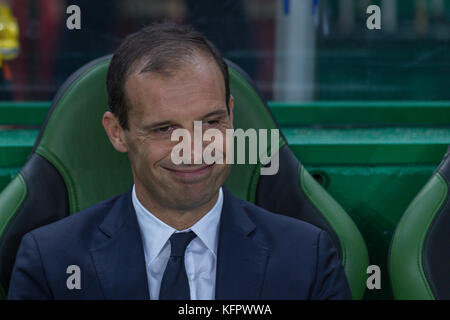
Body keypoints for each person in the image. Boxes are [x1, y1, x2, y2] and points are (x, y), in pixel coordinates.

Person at [7, 22, 351, 300]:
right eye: (165, 129)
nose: (193, 149)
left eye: (211, 122)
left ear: (231, 116)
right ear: (116, 132)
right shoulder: (50, 262)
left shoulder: (308, 258)